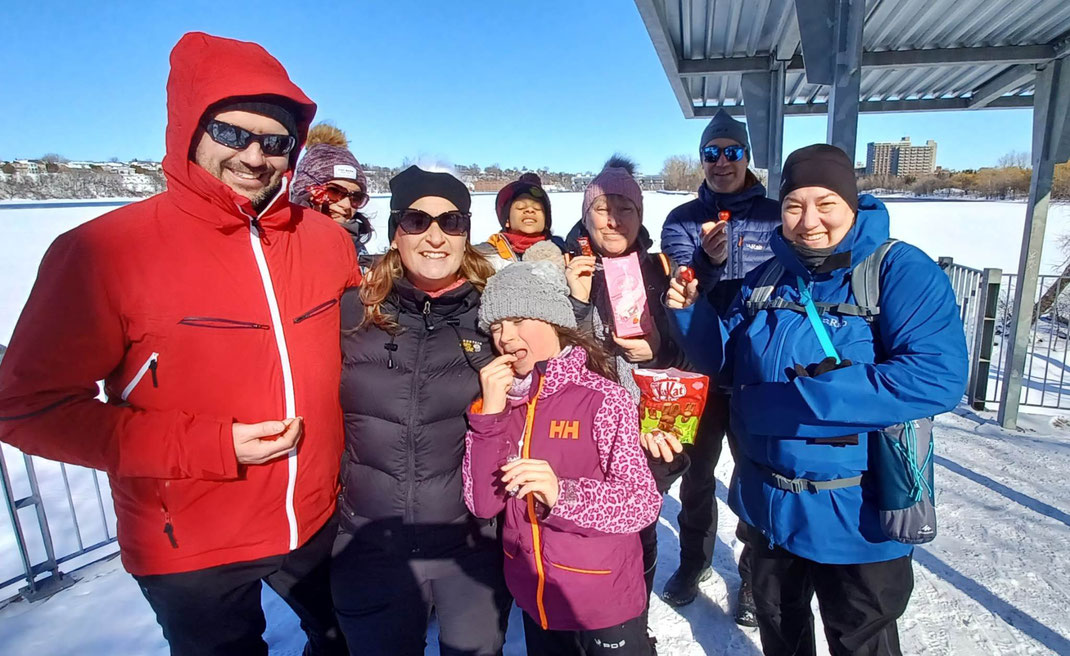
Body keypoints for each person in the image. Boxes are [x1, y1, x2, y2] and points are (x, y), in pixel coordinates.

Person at [0, 32, 359, 656]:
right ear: (187, 129)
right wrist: (210, 445)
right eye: (231, 133)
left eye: (275, 143)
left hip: (318, 520)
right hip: (188, 544)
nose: (254, 157)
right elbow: (27, 407)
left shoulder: (327, 243)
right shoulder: (102, 252)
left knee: (346, 642)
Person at [666, 144, 968, 656]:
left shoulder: (899, 271)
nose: (809, 221)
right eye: (794, 206)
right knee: (782, 636)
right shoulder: (766, 278)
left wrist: (796, 401)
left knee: (861, 641)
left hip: (858, 515)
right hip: (770, 510)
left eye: (825, 203)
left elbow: (935, 377)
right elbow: (725, 361)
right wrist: (691, 314)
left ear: (852, 203)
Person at [332, 166, 511, 656]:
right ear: (395, 233)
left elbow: (558, 372)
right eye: (416, 220)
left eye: (451, 223)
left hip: (469, 547)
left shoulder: (495, 317)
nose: (435, 236)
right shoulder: (352, 313)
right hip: (370, 545)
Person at [464, 260, 660, 655]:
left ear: (552, 321)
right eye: (496, 327)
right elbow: (483, 503)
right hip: (535, 593)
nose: (505, 337)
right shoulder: (500, 404)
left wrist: (561, 493)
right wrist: (489, 418)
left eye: (518, 320)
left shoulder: (604, 398)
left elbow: (642, 504)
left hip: (602, 598)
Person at [658, 109, 780, 621]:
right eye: (712, 152)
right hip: (700, 371)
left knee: (757, 476)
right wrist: (707, 262)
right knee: (697, 474)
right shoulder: (682, 218)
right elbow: (682, 289)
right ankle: (693, 562)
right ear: (701, 160)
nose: (722, 161)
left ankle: (753, 575)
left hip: (759, 372)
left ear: (747, 157)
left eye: (732, 151)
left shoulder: (777, 215)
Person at [562, 155, 687, 646]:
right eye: (602, 208)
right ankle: (581, 618)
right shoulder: (563, 264)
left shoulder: (659, 269)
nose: (614, 219)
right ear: (586, 213)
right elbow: (543, 347)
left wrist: (658, 348)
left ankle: (634, 618)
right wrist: (573, 302)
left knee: (640, 524)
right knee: (586, 524)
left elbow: (689, 351)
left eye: (625, 207)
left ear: (640, 213)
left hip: (648, 422)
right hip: (583, 423)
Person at [291, 122, 373, 260]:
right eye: (334, 191)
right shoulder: (283, 247)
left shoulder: (358, 253)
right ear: (306, 191)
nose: (346, 205)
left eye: (356, 197)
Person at [475, 172, 565, 272]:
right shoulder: (485, 256)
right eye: (520, 207)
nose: (530, 210)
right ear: (507, 220)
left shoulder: (562, 250)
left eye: (537, 208)